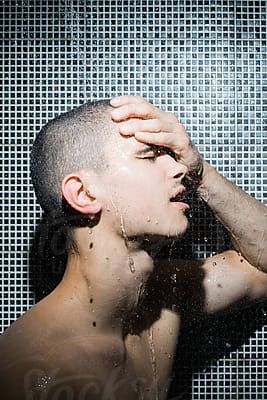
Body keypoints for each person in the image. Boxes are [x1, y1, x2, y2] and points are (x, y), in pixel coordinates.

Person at [0, 95, 266, 400]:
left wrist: (202, 173)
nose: (179, 168)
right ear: (84, 193)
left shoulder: (163, 297)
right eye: (149, 156)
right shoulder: (33, 373)